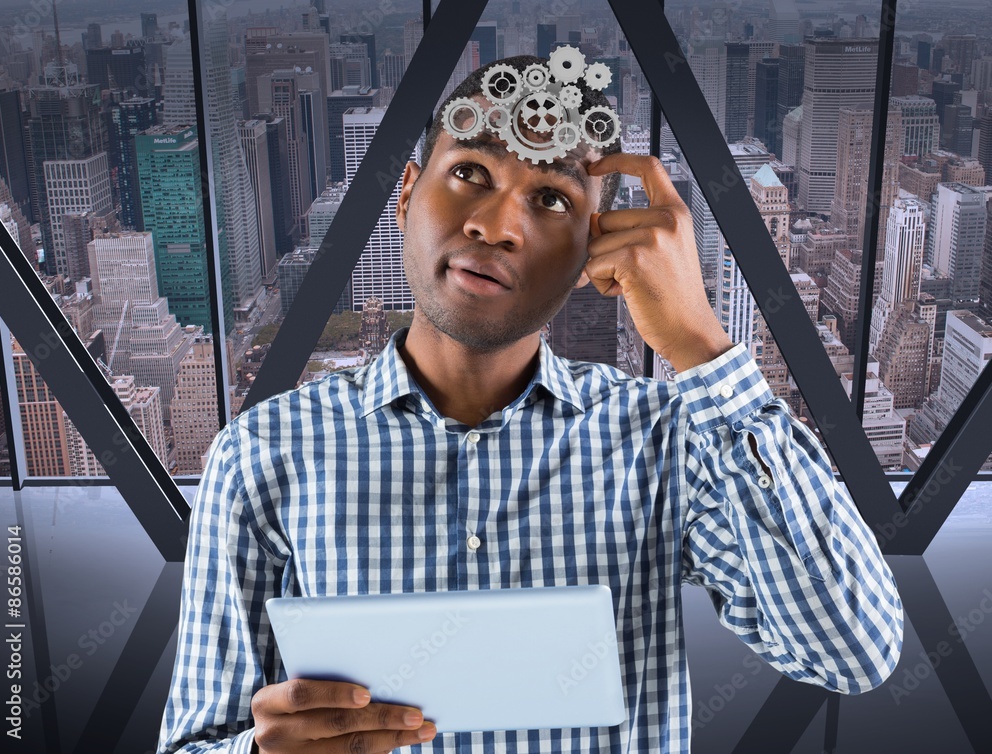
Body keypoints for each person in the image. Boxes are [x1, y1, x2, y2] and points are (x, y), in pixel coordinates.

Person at [158, 53, 903, 754]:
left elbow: (853, 649)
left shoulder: (667, 442)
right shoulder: (264, 454)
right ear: (408, 193)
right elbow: (193, 738)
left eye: (550, 197)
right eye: (472, 171)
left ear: (593, 251)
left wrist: (704, 349)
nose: (496, 226)